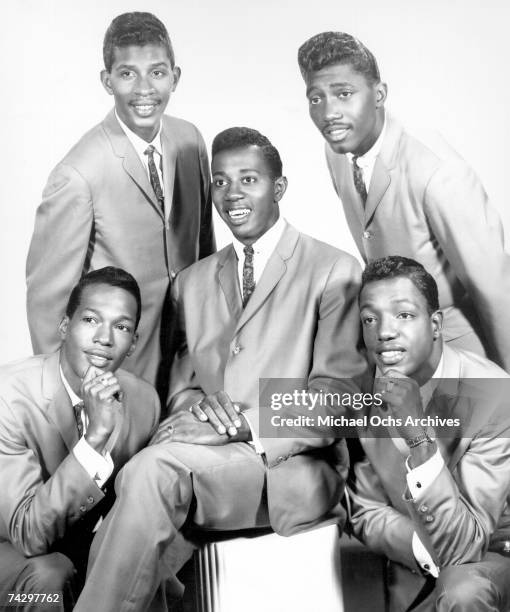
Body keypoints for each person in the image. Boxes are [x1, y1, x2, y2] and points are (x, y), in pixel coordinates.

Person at [73, 127, 366, 611]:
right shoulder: (191, 283)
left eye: (248, 179)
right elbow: (184, 390)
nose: (232, 195)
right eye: (221, 182)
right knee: (140, 496)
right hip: (207, 465)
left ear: (279, 187)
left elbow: (338, 398)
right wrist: (200, 410)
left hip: (291, 470)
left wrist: (243, 425)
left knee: (149, 470)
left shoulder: (333, 269)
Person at [297, 31, 510, 372]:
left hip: (458, 353)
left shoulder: (437, 173)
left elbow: (496, 289)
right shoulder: (337, 150)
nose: (329, 113)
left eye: (343, 94)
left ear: (379, 94)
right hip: (390, 347)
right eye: (316, 98)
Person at [26, 12, 215, 392]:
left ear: (175, 77)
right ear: (107, 80)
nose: (145, 88)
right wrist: (69, 399)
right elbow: (48, 305)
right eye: (128, 73)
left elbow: (205, 252)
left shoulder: (191, 141)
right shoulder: (79, 173)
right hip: (118, 373)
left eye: (157, 72)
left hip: (190, 363)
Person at [349, 255, 510, 611]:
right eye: (369, 319)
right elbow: (364, 511)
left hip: (491, 564)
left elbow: (468, 547)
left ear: (435, 324)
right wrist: (422, 545)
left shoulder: (494, 393)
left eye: (404, 315)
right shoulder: (362, 398)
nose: (384, 332)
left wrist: (419, 437)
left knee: (463, 593)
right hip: (415, 571)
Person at [0, 267, 160, 610]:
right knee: (49, 577)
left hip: (76, 546)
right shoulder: (8, 397)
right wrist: (95, 440)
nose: (105, 338)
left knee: (143, 566)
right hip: (11, 551)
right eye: (90, 320)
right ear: (64, 327)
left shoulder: (144, 402)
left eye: (121, 327)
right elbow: (28, 534)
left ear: (133, 344)